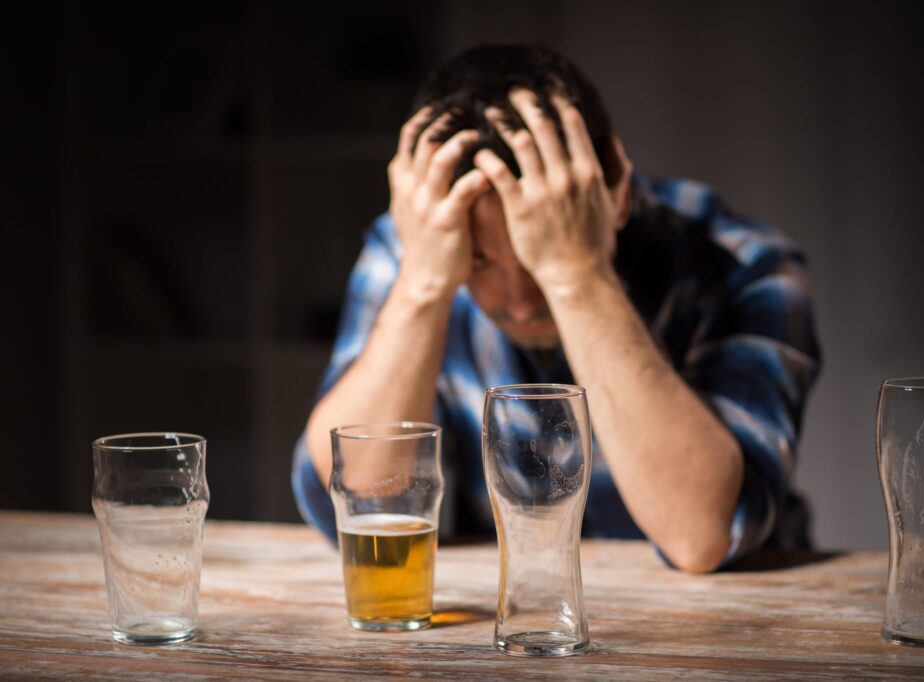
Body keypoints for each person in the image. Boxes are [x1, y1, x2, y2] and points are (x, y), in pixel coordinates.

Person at [292, 44, 820, 573]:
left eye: (535, 257)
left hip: (729, 624)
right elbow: (353, 499)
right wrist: (425, 282)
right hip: (517, 619)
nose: (520, 303)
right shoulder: (419, 245)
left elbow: (703, 535)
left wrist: (578, 275)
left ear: (614, 188)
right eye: (479, 263)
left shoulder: (749, 265)